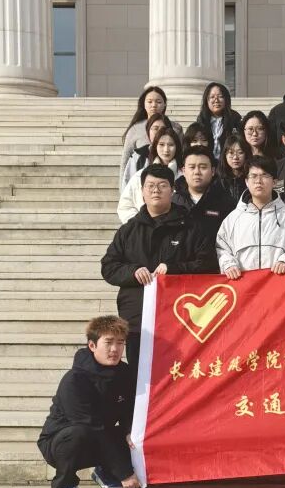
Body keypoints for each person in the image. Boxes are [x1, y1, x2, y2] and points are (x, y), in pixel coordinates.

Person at [101, 165, 216, 370]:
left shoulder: (191, 228)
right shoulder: (129, 230)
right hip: (138, 319)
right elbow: (109, 266)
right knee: (140, 374)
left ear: (172, 189)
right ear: (142, 191)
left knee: (180, 375)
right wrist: (133, 271)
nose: (156, 190)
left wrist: (174, 269)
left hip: (180, 319)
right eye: (150, 186)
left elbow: (209, 264)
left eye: (162, 185)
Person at [37, 315, 141, 488]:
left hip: (100, 435)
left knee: (136, 432)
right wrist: (124, 472)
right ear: (92, 346)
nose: (115, 349)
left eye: (120, 343)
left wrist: (129, 431)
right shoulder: (74, 380)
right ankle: (65, 484)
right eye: (108, 342)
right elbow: (90, 426)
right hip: (62, 442)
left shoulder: (125, 374)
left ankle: (105, 472)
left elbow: (129, 409)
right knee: (79, 432)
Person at [217, 155, 285, 277]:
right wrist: (229, 264)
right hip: (243, 284)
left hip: (279, 283)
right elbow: (222, 248)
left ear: (274, 182)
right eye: (253, 176)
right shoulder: (233, 218)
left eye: (264, 175)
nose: (258, 181)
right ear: (246, 181)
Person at [119, 86, 184, 189]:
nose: (154, 105)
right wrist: (123, 190)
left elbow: (181, 154)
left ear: (165, 104)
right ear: (143, 104)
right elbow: (126, 160)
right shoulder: (135, 129)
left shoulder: (176, 128)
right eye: (149, 102)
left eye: (158, 102)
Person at [117, 127, 183, 223]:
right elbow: (125, 205)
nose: (166, 149)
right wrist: (139, 224)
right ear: (155, 146)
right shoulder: (140, 176)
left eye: (171, 145)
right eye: (161, 144)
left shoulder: (184, 176)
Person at [174, 145, 237, 240]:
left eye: (203, 167)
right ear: (184, 171)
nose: (197, 172)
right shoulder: (172, 202)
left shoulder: (227, 203)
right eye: (192, 167)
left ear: (213, 171)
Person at [121, 112, 169, 190]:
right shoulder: (138, 156)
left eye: (163, 129)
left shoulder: (176, 155)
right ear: (148, 131)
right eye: (155, 128)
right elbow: (128, 186)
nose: (159, 132)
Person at [195, 82, 242, 161]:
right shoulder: (202, 119)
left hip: (228, 162)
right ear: (206, 100)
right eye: (212, 97)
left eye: (220, 96)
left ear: (226, 99)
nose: (216, 100)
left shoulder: (234, 119)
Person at [218, 133, 252, 202]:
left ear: (246, 154)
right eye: (231, 153)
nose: (235, 157)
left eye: (240, 152)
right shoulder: (218, 181)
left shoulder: (252, 178)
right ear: (225, 155)